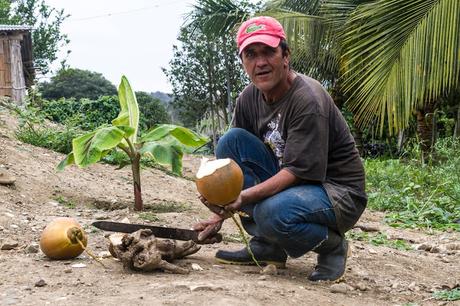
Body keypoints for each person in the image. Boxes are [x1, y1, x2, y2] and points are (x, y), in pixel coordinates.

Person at [193, 16, 367, 282]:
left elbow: (297, 172)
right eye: (250, 54)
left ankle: (333, 248)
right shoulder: (248, 98)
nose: (260, 62)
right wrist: (221, 215)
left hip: (336, 192)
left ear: (286, 55)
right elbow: (239, 170)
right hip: (297, 185)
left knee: (270, 211)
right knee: (232, 141)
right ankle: (268, 245)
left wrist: (242, 199)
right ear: (243, 63)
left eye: (268, 52)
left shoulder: (307, 98)